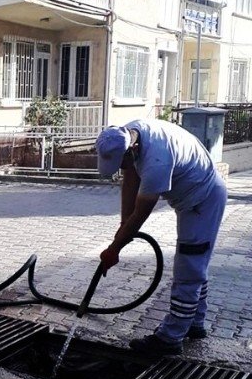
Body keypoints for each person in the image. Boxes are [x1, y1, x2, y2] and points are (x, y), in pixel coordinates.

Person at [95, 118, 227, 357]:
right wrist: (123, 227)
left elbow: (142, 212)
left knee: (189, 266)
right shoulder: (131, 134)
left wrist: (115, 248)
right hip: (192, 198)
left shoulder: (157, 158)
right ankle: (195, 324)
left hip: (203, 200)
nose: (121, 168)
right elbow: (131, 179)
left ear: (131, 149)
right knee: (195, 264)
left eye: (121, 163)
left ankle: (171, 337)